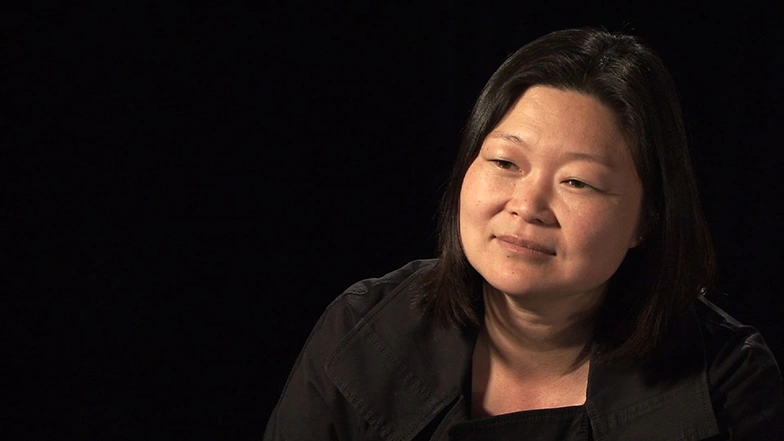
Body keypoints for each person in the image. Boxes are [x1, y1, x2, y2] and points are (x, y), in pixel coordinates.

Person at [263, 27, 784, 440]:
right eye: (506, 162)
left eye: (577, 182)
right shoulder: (364, 329)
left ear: (647, 221)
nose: (528, 206)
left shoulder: (728, 381)